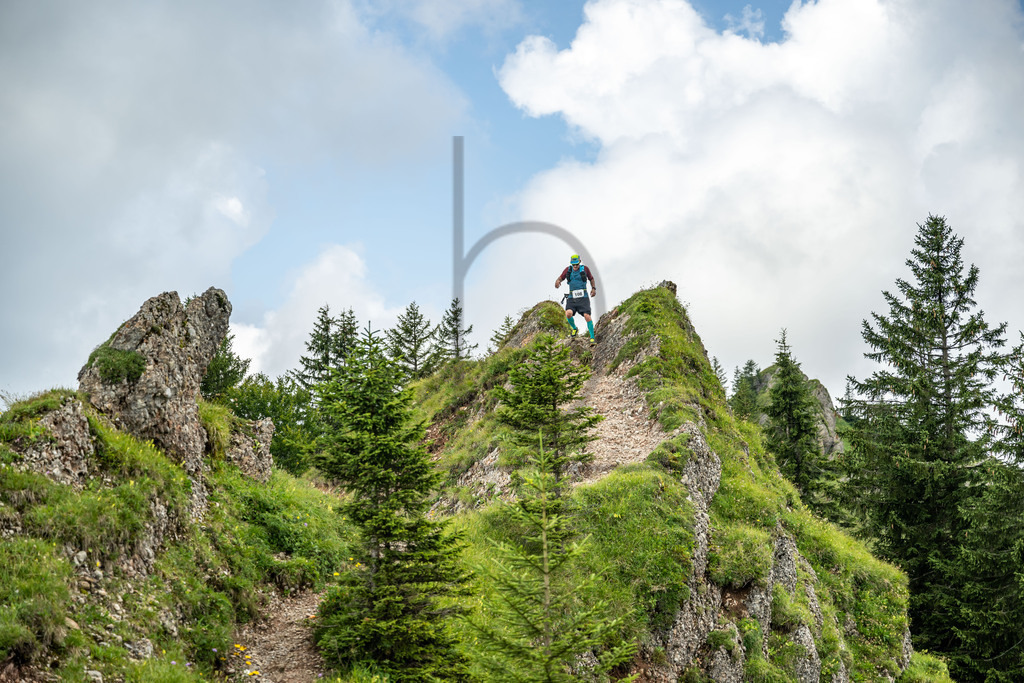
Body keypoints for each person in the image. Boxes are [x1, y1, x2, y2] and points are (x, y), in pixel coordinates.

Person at [554, 254, 597, 344]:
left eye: (576, 264)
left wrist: (593, 289)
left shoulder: (585, 269)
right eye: (573, 264)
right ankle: (574, 328)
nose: (575, 266)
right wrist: (557, 282)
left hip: (583, 297)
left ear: (579, 262)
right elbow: (560, 278)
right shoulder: (568, 270)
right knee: (568, 314)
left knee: (587, 316)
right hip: (572, 297)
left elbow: (591, 279)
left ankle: (592, 338)